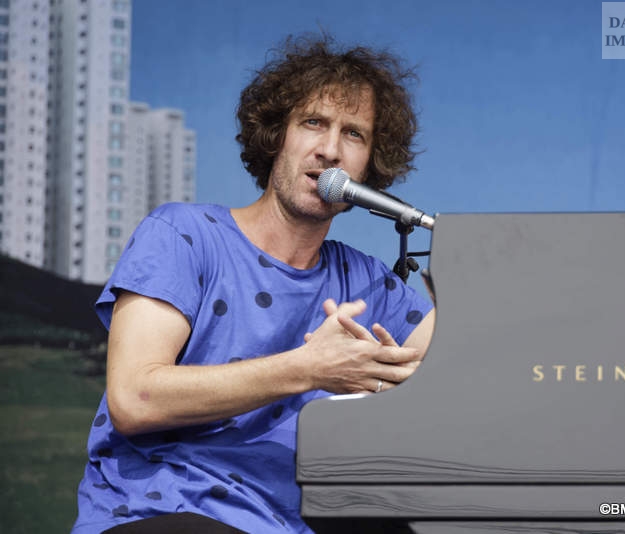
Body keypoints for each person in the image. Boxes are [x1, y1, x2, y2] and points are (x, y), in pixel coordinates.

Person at [71, 35, 435, 534]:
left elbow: (469, 366)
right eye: (313, 122)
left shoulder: (371, 283)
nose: (330, 150)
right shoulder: (182, 235)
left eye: (354, 134)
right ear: (276, 135)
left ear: (370, 165)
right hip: (170, 514)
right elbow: (134, 400)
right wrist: (308, 368)